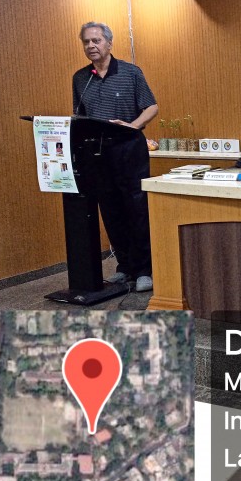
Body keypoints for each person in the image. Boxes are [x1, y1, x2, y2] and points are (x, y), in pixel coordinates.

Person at [72, 21, 158, 293]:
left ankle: (145, 270)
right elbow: (79, 115)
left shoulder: (130, 72)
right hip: (98, 152)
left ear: (109, 43)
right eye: (86, 41)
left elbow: (151, 106)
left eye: (96, 40)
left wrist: (133, 126)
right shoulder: (80, 78)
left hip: (129, 148)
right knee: (110, 210)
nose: (91, 46)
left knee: (136, 209)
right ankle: (125, 266)